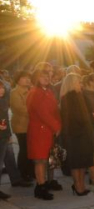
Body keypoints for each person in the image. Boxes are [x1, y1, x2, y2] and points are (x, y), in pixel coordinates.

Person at [27, 65, 62, 200]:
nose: (46, 78)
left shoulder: (47, 91)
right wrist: (56, 126)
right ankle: (40, 186)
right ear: (36, 78)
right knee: (40, 160)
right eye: (42, 76)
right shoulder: (35, 92)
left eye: (47, 76)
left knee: (45, 158)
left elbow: (54, 110)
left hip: (47, 130)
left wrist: (58, 125)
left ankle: (44, 183)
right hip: (39, 130)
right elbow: (43, 113)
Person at [60, 74, 93, 196]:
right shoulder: (67, 98)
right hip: (74, 134)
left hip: (83, 133)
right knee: (76, 162)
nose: (81, 84)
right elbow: (71, 117)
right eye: (79, 82)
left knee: (83, 161)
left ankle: (81, 184)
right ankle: (78, 185)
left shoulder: (80, 96)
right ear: (72, 83)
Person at [10, 70, 34, 182]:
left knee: (31, 149)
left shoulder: (31, 90)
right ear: (18, 80)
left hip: (32, 125)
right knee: (24, 149)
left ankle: (31, 171)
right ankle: (23, 173)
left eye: (28, 77)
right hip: (21, 126)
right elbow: (20, 109)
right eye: (24, 78)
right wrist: (36, 111)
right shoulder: (14, 93)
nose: (27, 80)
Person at [0, 84, 14, 199]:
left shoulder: (3, 102)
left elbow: (5, 120)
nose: (2, 90)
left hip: (3, 136)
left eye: (2, 87)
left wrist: (8, 134)